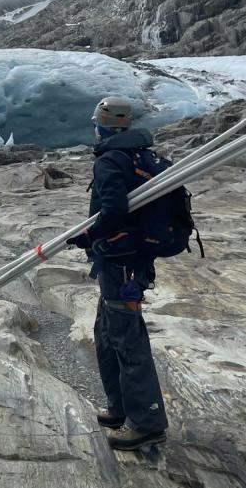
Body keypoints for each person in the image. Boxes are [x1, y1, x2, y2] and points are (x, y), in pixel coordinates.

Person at [66, 96, 169, 451]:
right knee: (107, 333)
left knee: (127, 340)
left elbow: (112, 210)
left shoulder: (111, 160)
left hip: (121, 263)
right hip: (125, 260)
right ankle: (119, 407)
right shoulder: (139, 154)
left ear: (102, 126)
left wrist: (88, 235)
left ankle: (147, 423)